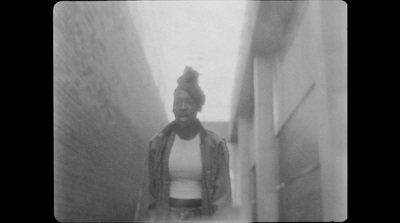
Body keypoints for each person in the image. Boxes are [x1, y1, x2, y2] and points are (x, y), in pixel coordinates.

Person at [146, 66, 232, 221]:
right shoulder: (157, 144)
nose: (183, 107)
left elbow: (222, 199)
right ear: (173, 107)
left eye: (189, 102)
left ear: (198, 107)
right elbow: (150, 196)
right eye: (178, 102)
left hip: (201, 216)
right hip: (167, 217)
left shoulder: (216, 145)